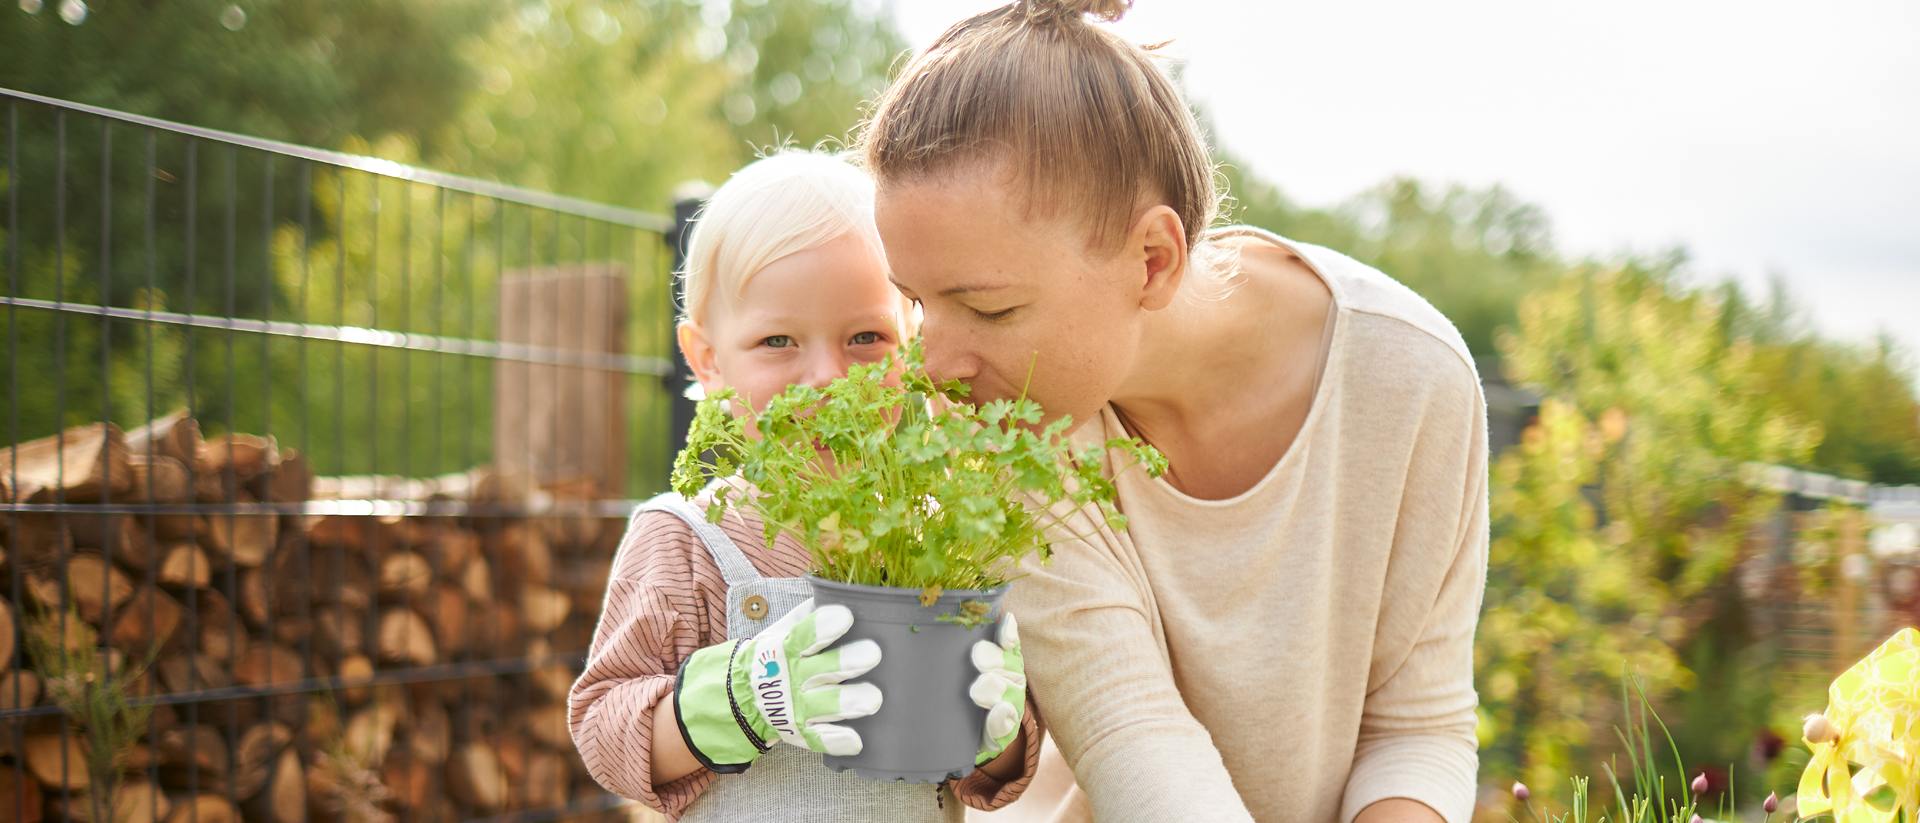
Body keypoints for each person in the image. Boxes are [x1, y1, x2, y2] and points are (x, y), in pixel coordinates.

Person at [857, 2, 1488, 823]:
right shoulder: (1007, 433)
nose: (932, 368)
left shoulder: (1412, 377)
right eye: (916, 301)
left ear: (1152, 259)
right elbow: (1131, 732)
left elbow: (1417, 725)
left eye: (989, 309)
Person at [568, 151, 1042, 822]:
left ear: (910, 343)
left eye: (866, 337)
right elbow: (604, 728)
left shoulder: (935, 535)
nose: (826, 376)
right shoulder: (684, 537)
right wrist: (749, 693)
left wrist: (998, 723)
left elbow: (994, 775)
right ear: (707, 359)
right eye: (779, 340)